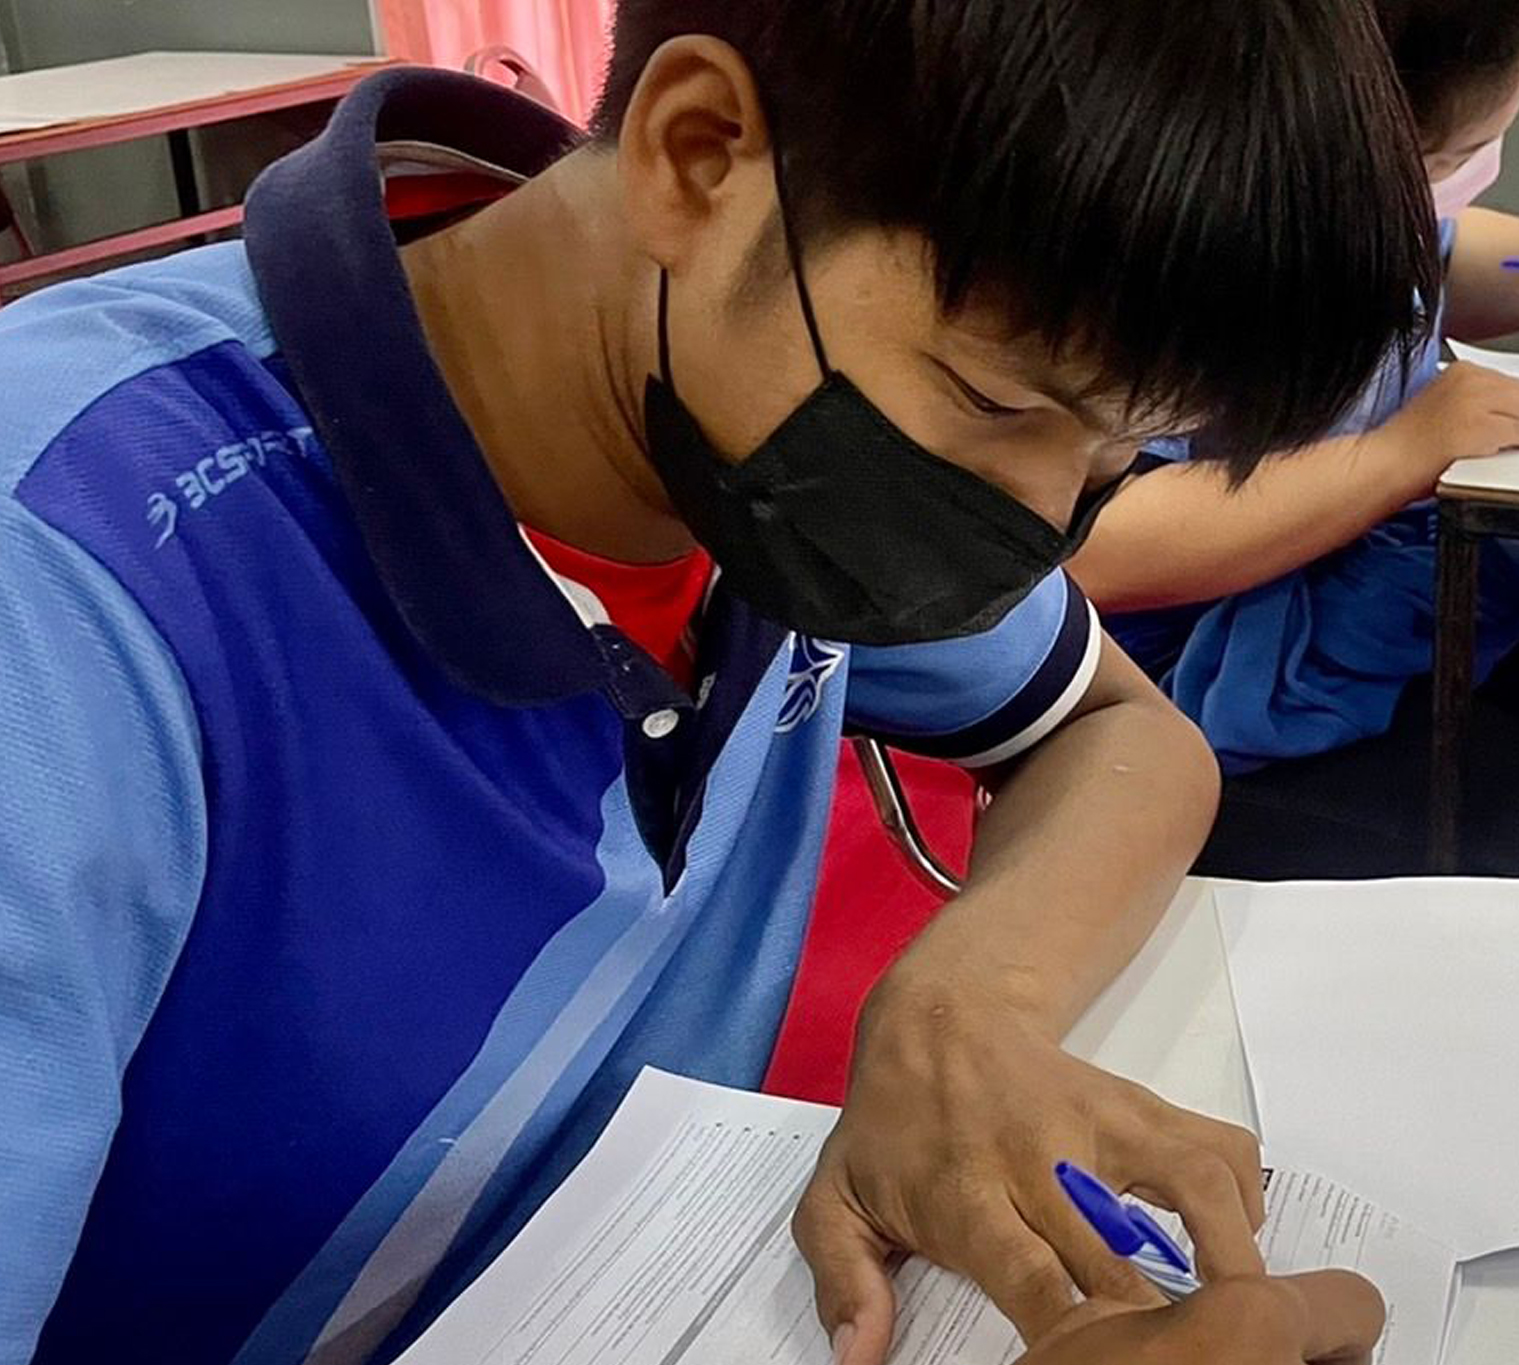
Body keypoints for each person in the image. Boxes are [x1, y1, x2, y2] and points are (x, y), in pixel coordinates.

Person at [0, 3, 1435, 1362]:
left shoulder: (748, 424)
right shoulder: (75, 589)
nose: (1043, 523)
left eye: (1128, 448)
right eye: (1004, 402)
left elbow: (1123, 733)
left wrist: (963, 1015)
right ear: (698, 156)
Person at [1073, 0, 1519, 886]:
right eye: (1451, 160)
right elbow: (1102, 548)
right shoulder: (1181, 254)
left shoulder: (1350, 192)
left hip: (1372, 598)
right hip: (1202, 679)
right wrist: (1398, 454)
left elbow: (1445, 257)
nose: (1471, 177)